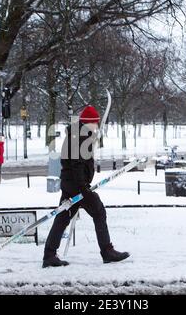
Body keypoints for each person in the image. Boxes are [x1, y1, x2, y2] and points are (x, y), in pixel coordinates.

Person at [42, 105, 129, 268]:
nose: (97, 125)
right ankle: (107, 251)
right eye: (95, 123)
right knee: (99, 212)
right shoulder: (80, 137)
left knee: (62, 218)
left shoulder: (78, 134)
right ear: (89, 123)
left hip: (70, 184)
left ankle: (49, 255)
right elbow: (77, 165)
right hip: (77, 186)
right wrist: (84, 189)